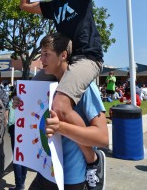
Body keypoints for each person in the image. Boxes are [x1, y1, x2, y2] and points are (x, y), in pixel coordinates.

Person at [20, 0, 110, 185]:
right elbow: (25, 5)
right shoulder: (55, 5)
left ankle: (92, 160)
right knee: (29, 94)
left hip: (87, 58)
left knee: (59, 105)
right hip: (67, 62)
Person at [14, 33, 108, 190]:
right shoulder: (46, 84)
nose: (41, 60)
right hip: (47, 171)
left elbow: (103, 138)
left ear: (63, 55)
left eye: (46, 55)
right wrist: (21, 103)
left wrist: (60, 127)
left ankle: (95, 160)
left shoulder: (85, 86)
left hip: (72, 179)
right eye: (41, 54)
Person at [8, 88, 28, 190]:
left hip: (15, 128)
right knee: (23, 156)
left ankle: (19, 185)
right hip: (26, 129)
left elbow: (11, 119)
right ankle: (22, 182)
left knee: (17, 156)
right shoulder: (28, 99)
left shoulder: (13, 100)